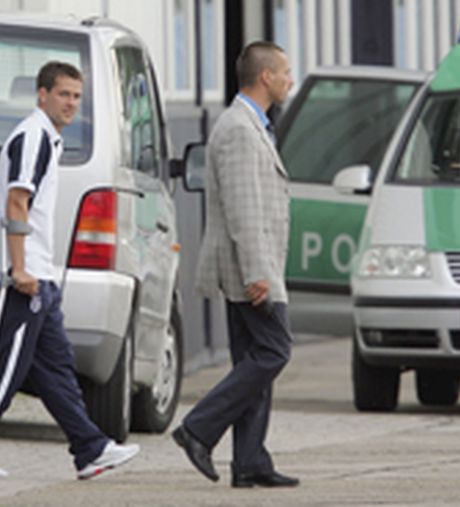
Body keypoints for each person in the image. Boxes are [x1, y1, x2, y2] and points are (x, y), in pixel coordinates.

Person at [0, 61, 138, 479]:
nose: (71, 103)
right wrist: (20, 269)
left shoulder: (47, 139)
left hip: (39, 277)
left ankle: (89, 449)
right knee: (8, 368)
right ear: (42, 95)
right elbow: (17, 203)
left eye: (76, 96)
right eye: (63, 94)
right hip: (19, 277)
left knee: (56, 365)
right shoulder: (32, 137)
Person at [172, 41, 298, 488]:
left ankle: (250, 461)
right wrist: (257, 273)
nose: (290, 79)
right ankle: (198, 429)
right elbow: (245, 211)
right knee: (274, 351)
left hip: (253, 263)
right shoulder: (241, 130)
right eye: (284, 71)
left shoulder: (251, 125)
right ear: (265, 77)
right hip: (252, 267)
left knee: (252, 357)